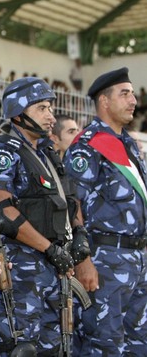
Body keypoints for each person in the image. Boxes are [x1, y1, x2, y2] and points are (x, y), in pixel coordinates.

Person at [0, 77, 80, 355]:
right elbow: (3, 211)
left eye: (50, 108)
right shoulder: (3, 151)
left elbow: (69, 201)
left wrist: (77, 237)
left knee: (53, 345)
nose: (51, 116)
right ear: (18, 113)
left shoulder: (47, 153)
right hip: (23, 266)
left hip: (53, 264)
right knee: (20, 346)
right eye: (42, 109)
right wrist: (48, 248)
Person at [65, 67, 147, 355]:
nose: (133, 100)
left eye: (133, 93)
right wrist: (83, 258)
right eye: (125, 94)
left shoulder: (128, 146)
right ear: (104, 101)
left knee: (139, 343)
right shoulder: (87, 146)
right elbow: (71, 203)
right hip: (105, 260)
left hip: (137, 260)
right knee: (104, 343)